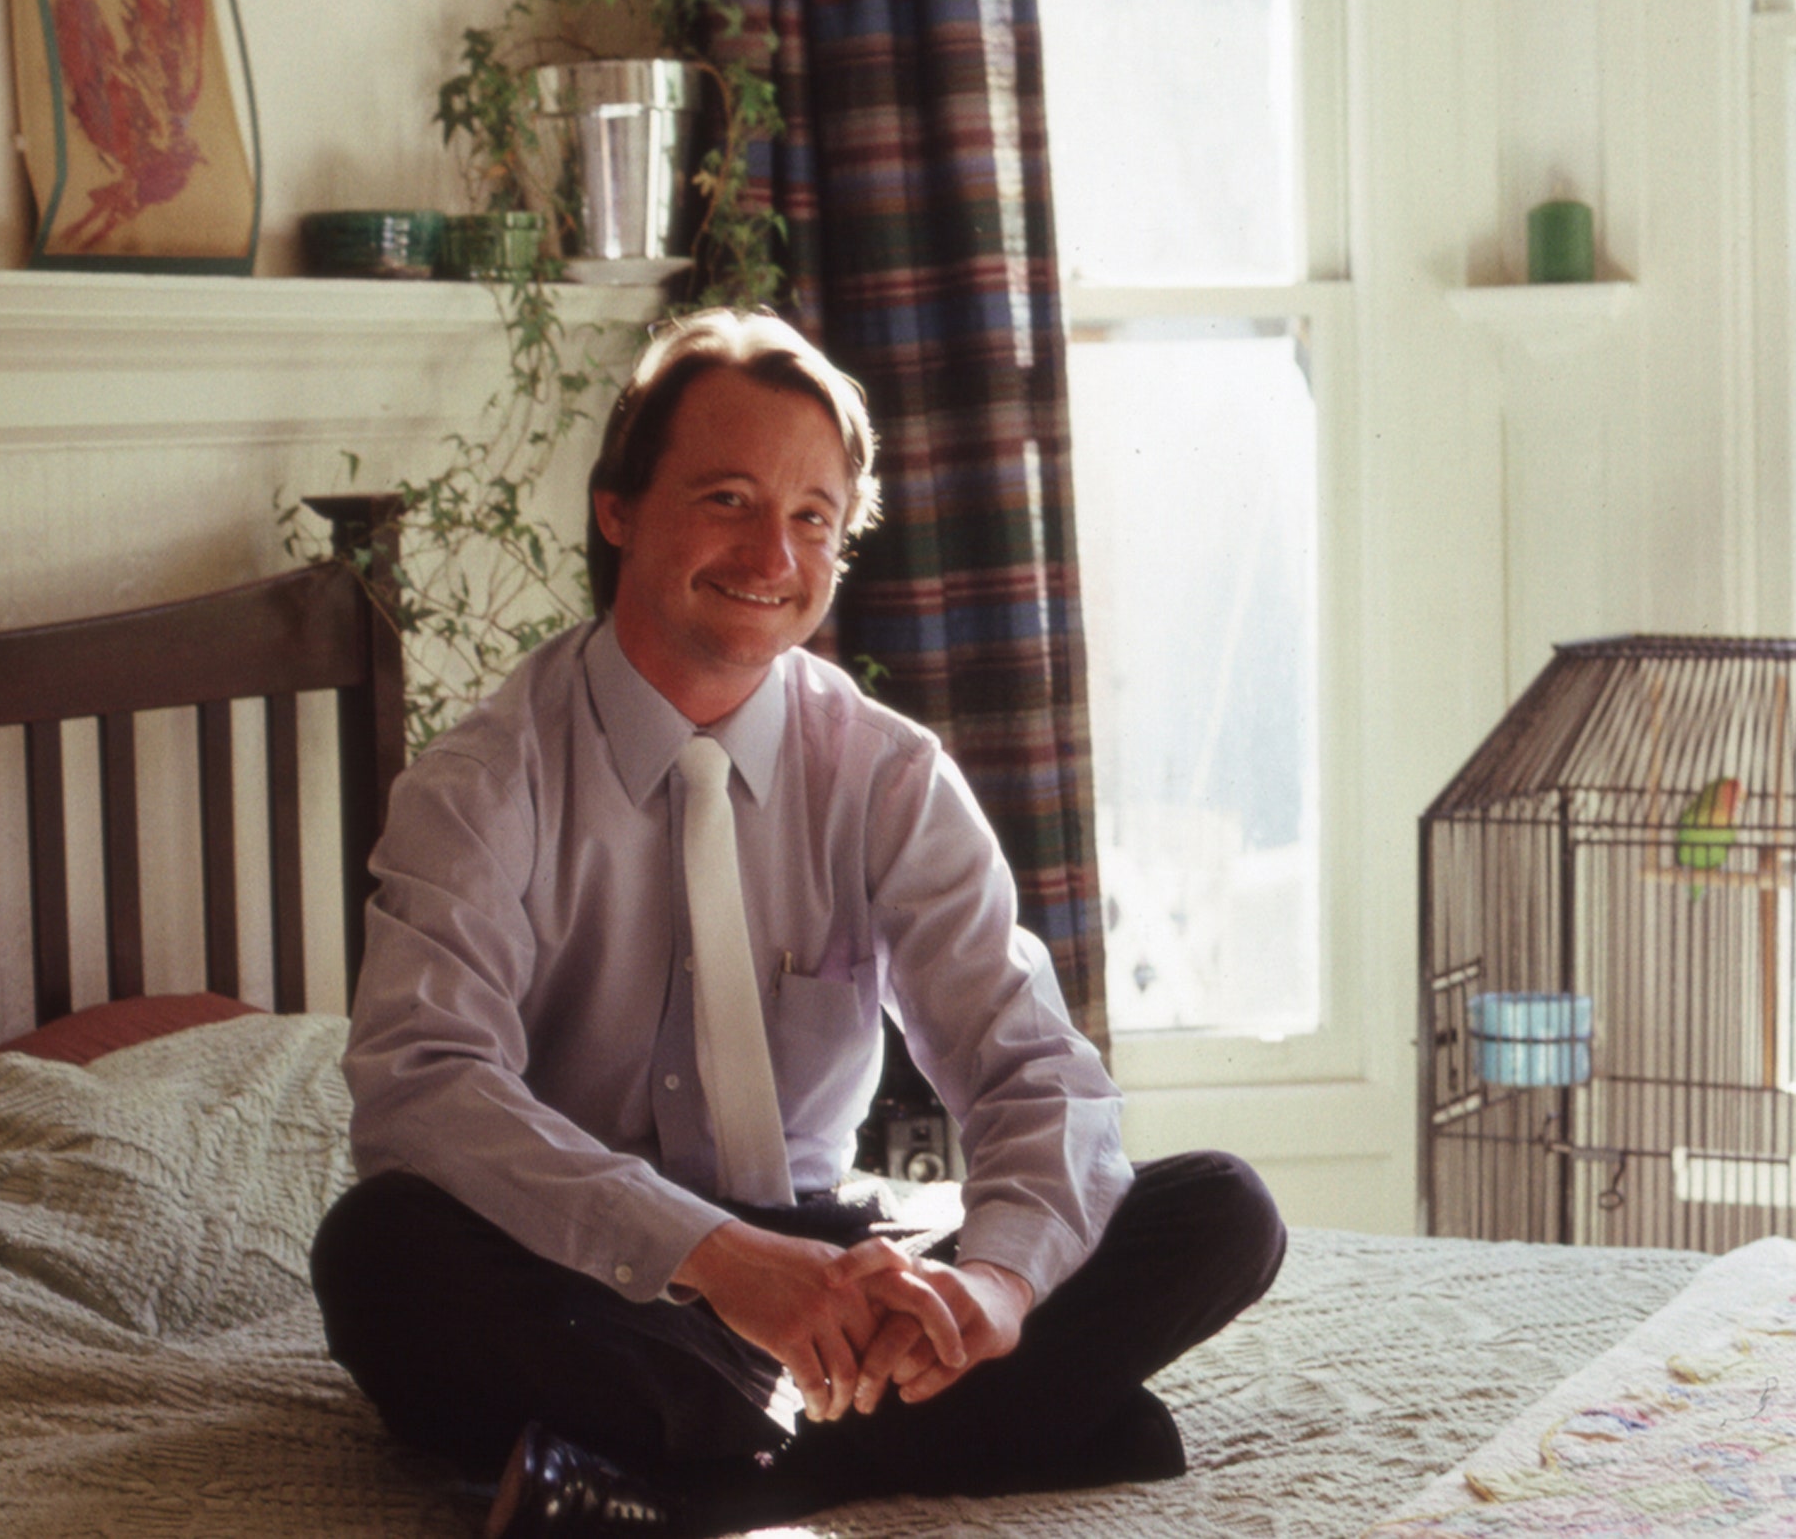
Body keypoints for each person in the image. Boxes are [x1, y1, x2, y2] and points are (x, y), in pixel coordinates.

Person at [312, 308, 1286, 1539]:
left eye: (813, 515)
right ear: (617, 507)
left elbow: (1033, 1070)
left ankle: (704, 1487)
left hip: (825, 1248)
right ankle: (1010, 1429)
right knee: (379, 1255)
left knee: (1220, 1210)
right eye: (725, 496)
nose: (772, 549)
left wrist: (989, 1283)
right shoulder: (485, 782)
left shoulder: (886, 774)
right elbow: (425, 1085)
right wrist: (718, 1259)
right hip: (597, 1269)